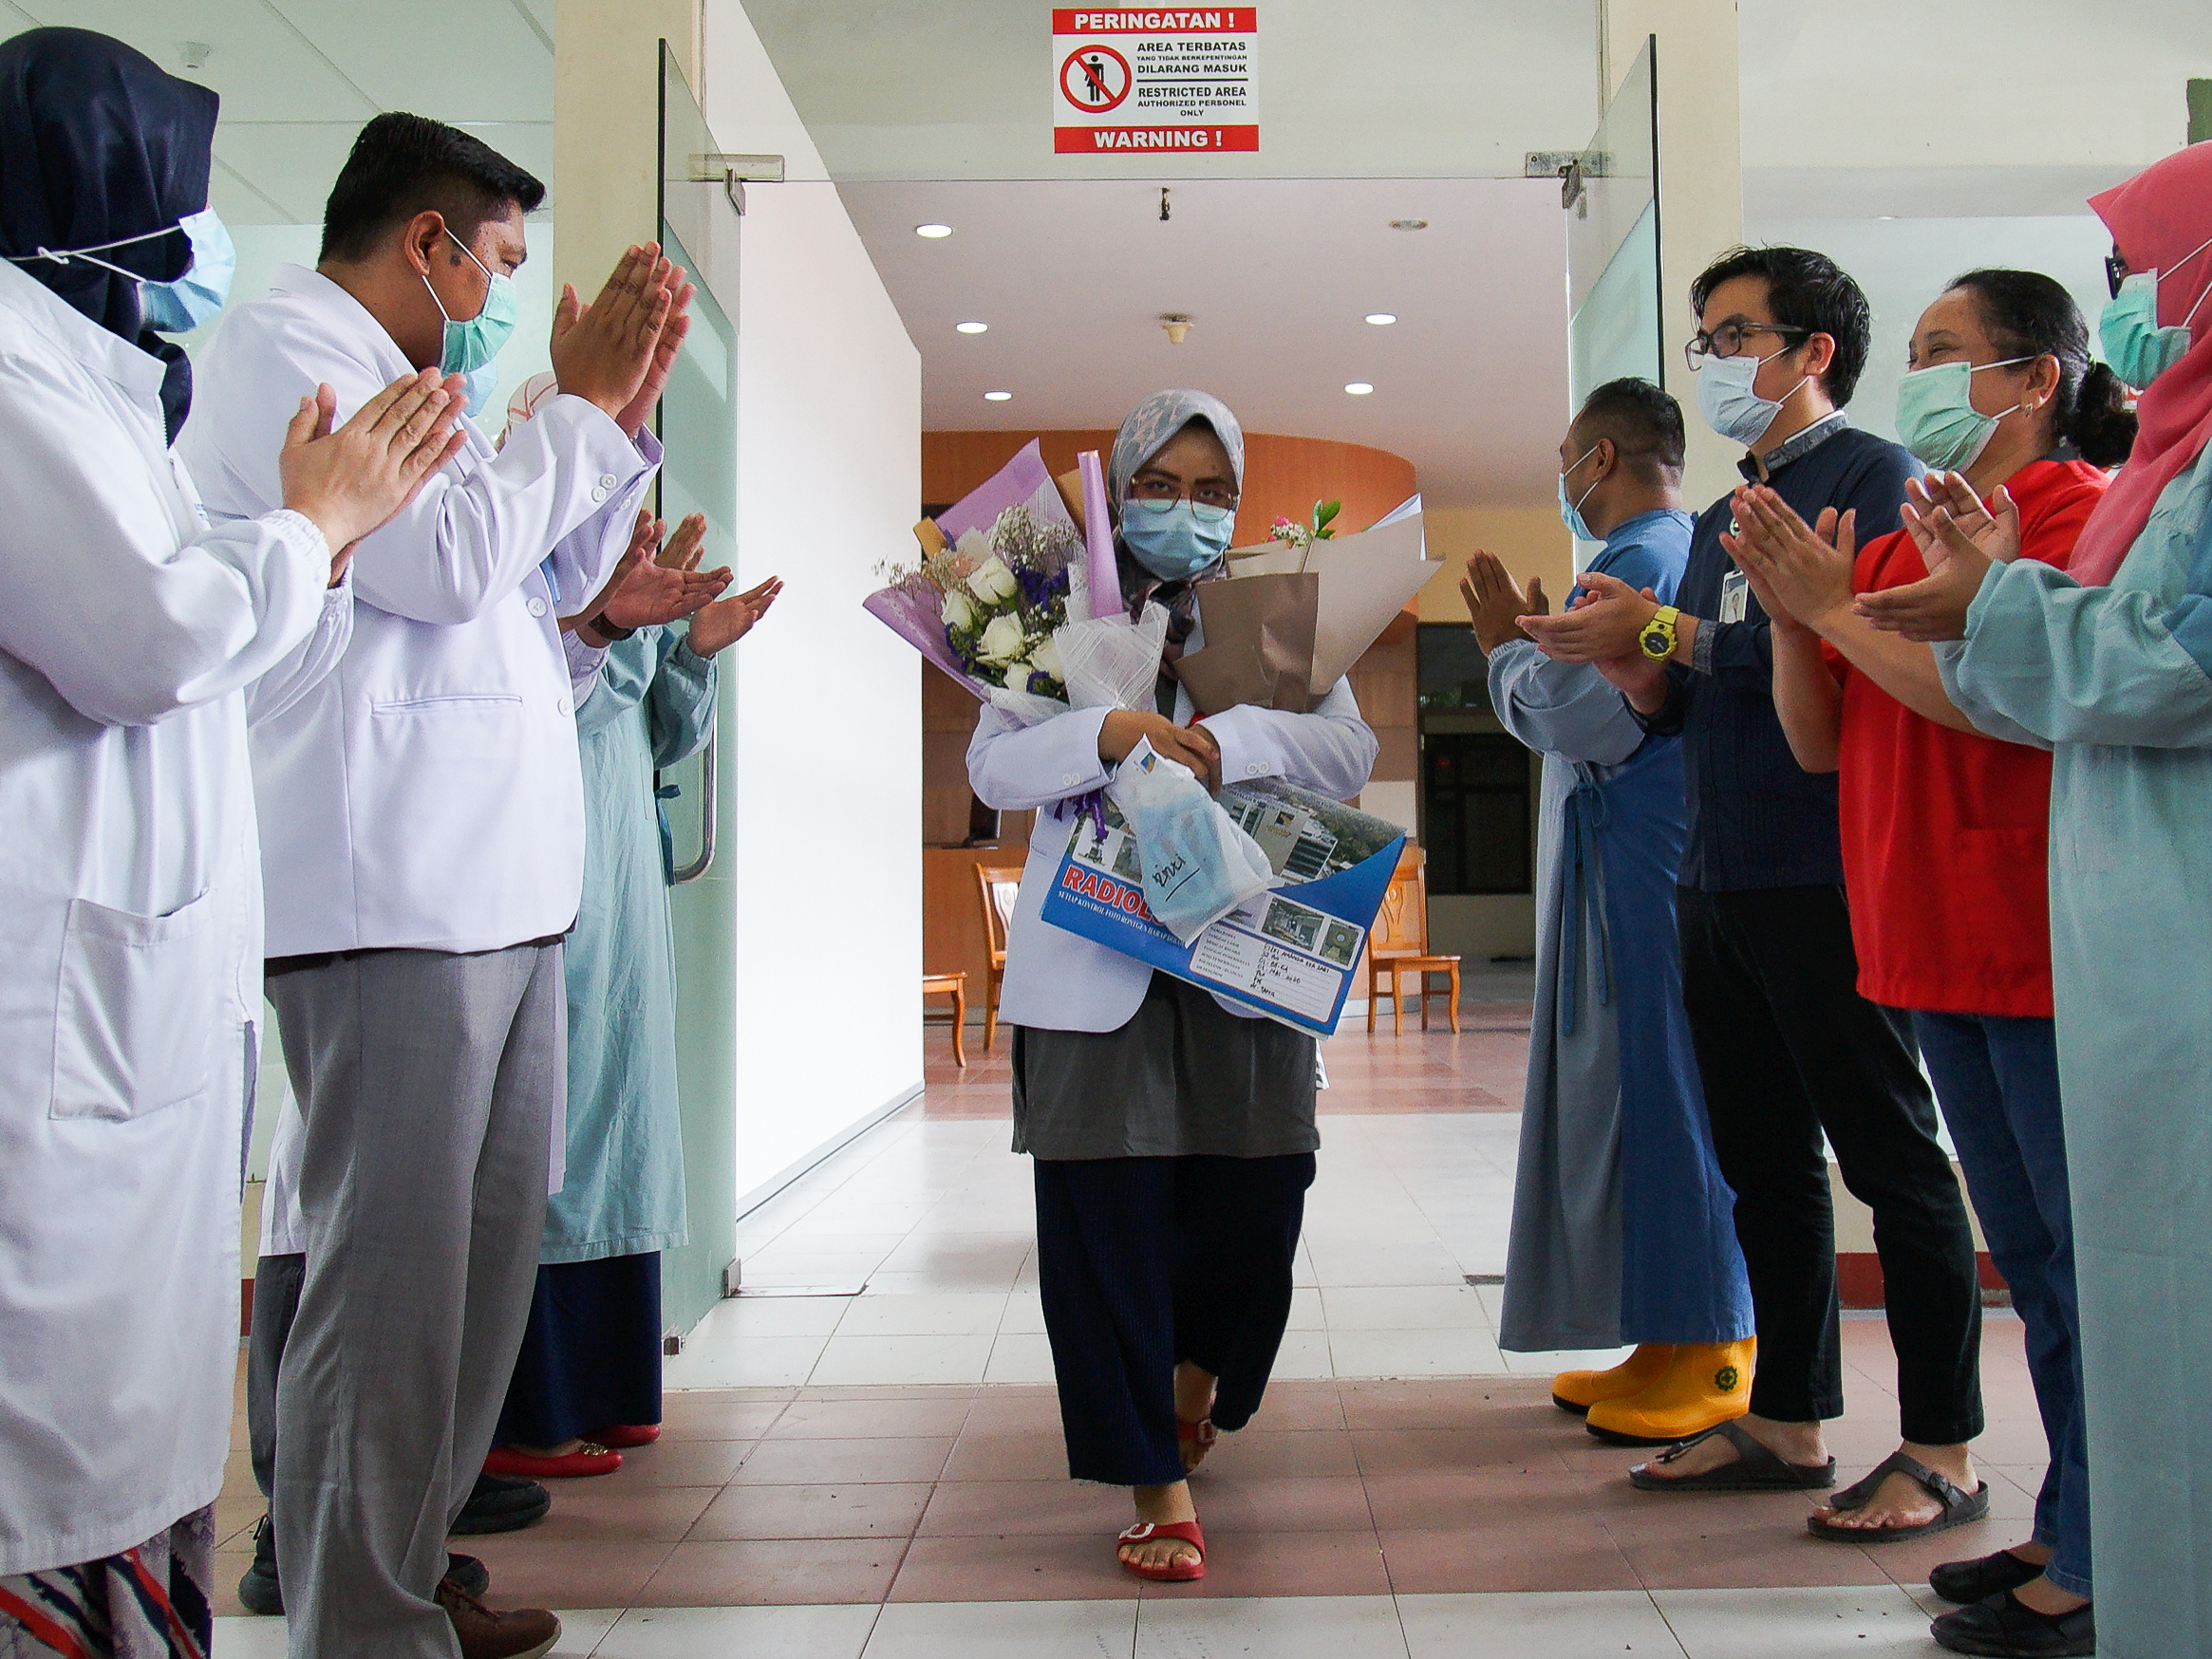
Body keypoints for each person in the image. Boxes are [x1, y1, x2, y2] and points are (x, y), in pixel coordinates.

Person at [178, 112, 706, 1659]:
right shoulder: (291, 351)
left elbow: (526, 591)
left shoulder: (423, 385)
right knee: (390, 1286)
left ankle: (406, 1575)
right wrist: (579, 412)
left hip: (496, 889)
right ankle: (360, 1618)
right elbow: (446, 563)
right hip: (388, 889)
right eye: (497, 261)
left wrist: (612, 432)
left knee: (471, 1280)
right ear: (426, 241)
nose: (499, 296)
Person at [0, 28, 465, 1657]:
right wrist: (314, 526)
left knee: (130, 1411)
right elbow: (144, 640)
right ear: (101, 185)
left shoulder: (103, 389)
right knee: (53, 1440)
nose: (201, 237)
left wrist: (305, 547)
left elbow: (223, 648)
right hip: (57, 1014)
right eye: (179, 196)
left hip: (137, 1000)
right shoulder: (10, 378)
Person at [1522, 246, 1989, 1540]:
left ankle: (1941, 1442)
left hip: (1825, 871)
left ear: (1811, 351)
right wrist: (1629, 667)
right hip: (1714, 874)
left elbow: (1863, 646)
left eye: (1734, 335)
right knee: (1761, 1162)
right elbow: (1687, 698)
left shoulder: (1874, 478)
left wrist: (1660, 633)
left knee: (1887, 1157)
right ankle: (1786, 1418)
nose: (1714, 359)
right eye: (1706, 338)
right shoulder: (1731, 510)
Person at [1734, 267, 2130, 1656]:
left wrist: (1833, 609)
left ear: (2031, 377)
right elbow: (1818, 741)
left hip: (2024, 939)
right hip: (1923, 942)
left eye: (1942, 350)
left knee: (2076, 1271)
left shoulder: (2075, 512)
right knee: (2028, 1262)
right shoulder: (1910, 537)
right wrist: (1795, 614)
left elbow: (1997, 700)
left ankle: (2108, 1558)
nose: (1915, 376)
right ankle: (2068, 1525)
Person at [1862, 140, 2212, 1659]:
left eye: (2143, 266)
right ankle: (2098, 1539)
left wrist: (1978, 605)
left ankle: (2120, 1564)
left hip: (2140, 926)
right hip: (2100, 909)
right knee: (2095, 1279)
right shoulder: (2170, 462)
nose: (2129, 297)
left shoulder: (2122, 484)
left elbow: (2171, 667)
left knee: (2132, 1275)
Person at [966, 389, 1378, 1581]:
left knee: (1261, 1195)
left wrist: (1232, 738)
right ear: (1118, 489)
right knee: (1106, 1220)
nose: (1183, 509)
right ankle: (1152, 1474)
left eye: (1209, 491)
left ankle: (1192, 1383)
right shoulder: (1051, 609)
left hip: (1242, 952)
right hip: (1095, 955)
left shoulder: (1273, 609)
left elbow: (1347, 749)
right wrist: (1105, 733)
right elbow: (993, 768)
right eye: (1158, 485)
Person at [488, 374, 784, 1478]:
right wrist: (606, 622)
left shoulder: (629, 565)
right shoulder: (507, 561)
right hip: (538, 874)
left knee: (620, 1117)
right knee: (551, 1130)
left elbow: (665, 733)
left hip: (623, 881)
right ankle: (525, 1411)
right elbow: (541, 697)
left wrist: (694, 648)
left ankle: (611, 1383)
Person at [1466, 378, 1753, 1445]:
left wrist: (1503, 648)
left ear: (1600, 459)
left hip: (1645, 866)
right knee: (1637, 1098)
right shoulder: (1661, 553)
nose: (1562, 479)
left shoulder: (1643, 561)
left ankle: (1718, 1344)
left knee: (1670, 1091)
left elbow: (1582, 713)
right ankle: (1666, 1333)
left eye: (1564, 460)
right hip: (1631, 863)